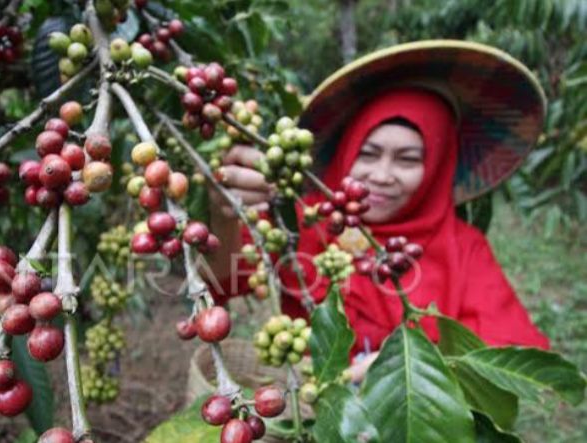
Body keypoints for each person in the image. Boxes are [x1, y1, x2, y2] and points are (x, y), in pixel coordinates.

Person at [204, 40, 550, 382]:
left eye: (408, 160)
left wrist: (402, 366)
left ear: (437, 168)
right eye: (368, 153)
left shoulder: (464, 248)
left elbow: (509, 357)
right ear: (346, 150)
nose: (381, 177)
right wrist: (225, 214)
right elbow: (220, 281)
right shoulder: (304, 220)